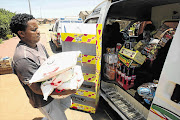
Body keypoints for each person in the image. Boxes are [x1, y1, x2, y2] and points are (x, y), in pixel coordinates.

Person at [10, 13, 76, 120]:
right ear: (21, 33)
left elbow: (50, 64)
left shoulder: (38, 45)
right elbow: (36, 89)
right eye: (33, 30)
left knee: (66, 104)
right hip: (43, 99)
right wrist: (64, 91)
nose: (38, 32)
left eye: (38, 28)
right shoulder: (23, 58)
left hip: (53, 89)